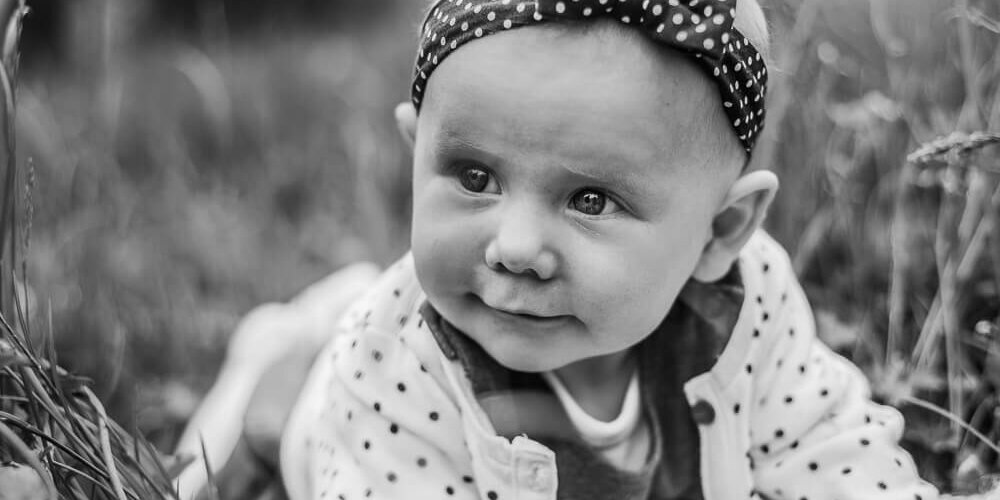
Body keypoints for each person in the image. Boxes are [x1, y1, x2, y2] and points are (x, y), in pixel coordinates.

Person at [199, 0, 945, 498]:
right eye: (474, 176)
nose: (516, 247)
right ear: (412, 155)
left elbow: (830, 449)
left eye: (591, 200)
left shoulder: (747, 311)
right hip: (333, 430)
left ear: (720, 233)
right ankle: (278, 354)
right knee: (263, 431)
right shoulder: (397, 362)